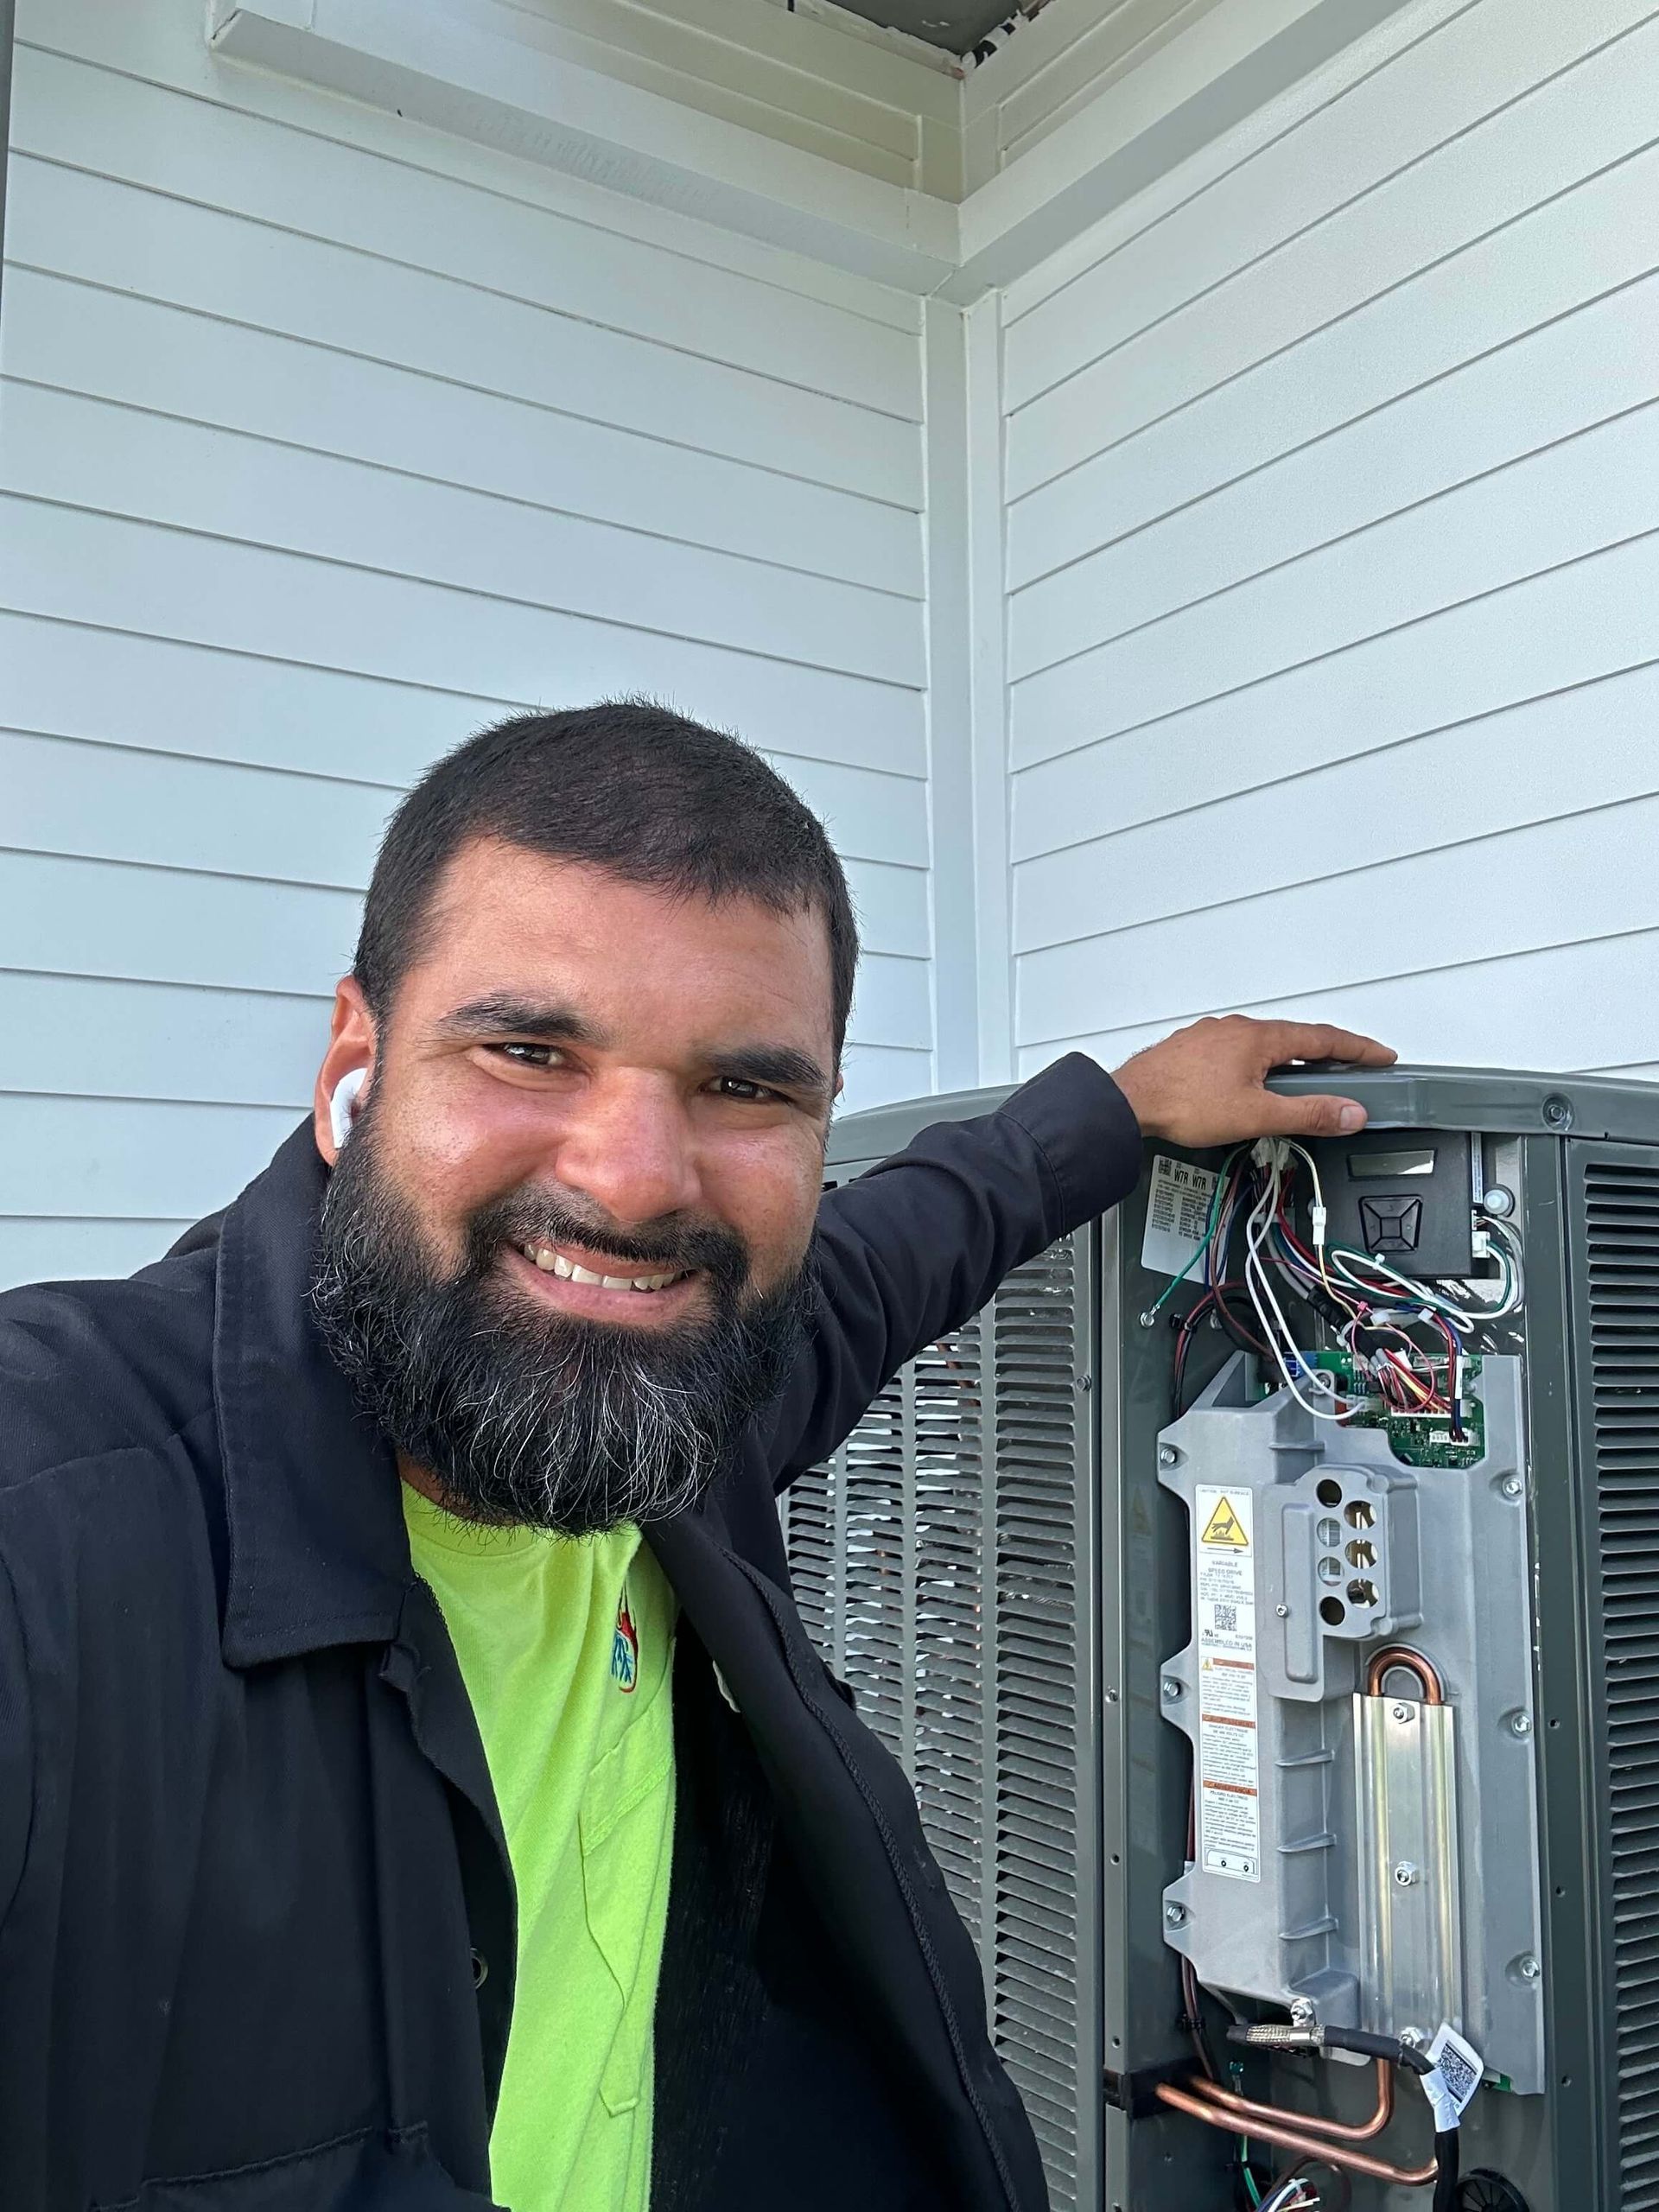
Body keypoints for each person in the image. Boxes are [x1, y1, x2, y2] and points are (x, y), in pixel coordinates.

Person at [0, 702, 1392, 2212]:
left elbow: (898, 1251)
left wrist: (1121, 1109)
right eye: (529, 1049)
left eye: (745, 1088)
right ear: (358, 1061)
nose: (638, 1184)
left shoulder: (669, 1419)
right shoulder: (52, 1528)